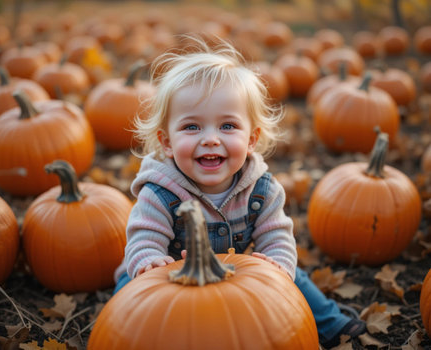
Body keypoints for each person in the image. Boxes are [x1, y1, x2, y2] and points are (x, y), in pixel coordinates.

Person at [113, 36, 366, 349]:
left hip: (236, 271)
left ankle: (330, 323)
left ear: (251, 139)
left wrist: (276, 267)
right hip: (172, 277)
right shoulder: (159, 192)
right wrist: (148, 262)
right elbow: (143, 238)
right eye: (192, 127)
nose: (210, 139)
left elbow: (277, 237)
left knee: (293, 276)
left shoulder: (262, 189)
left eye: (227, 126)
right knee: (127, 293)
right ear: (166, 142)